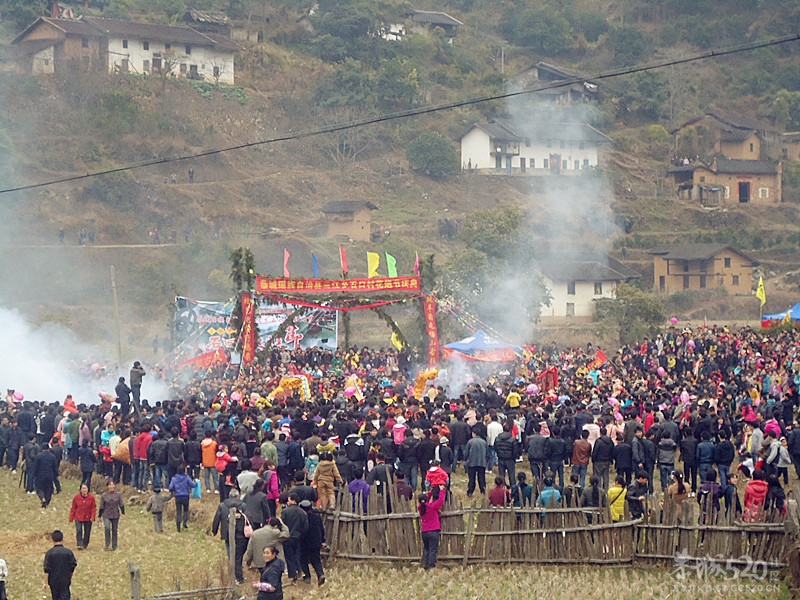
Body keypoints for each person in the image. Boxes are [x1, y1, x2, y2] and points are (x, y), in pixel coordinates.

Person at [281, 493, 308, 583]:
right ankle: (299, 570)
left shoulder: (285, 512)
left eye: (289, 500)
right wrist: (301, 535)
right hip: (298, 537)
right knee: (297, 555)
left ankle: (293, 575)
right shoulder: (303, 513)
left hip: (288, 537)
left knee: (289, 556)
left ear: (292, 500)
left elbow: (282, 525)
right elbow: (305, 527)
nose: (288, 502)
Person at [418, 485, 446, 570]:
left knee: (426, 548)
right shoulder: (432, 507)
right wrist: (441, 491)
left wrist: (430, 492)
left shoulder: (420, 508)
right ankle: (431, 566)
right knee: (433, 549)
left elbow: (425, 502)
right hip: (433, 530)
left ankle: (424, 563)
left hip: (424, 531)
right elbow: (440, 500)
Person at [299, 500, 326, 585]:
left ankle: (307, 576)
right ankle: (320, 574)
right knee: (316, 560)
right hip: (316, 542)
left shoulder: (302, 518)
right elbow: (321, 529)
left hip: (305, 542)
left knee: (303, 560)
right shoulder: (317, 516)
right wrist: (322, 540)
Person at [44, 530, 77, 600]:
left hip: (53, 581)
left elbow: (47, 569)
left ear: (52, 539)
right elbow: (72, 566)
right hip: (65, 580)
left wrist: (45, 582)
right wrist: (69, 577)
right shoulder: (68, 552)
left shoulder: (49, 553)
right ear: (62, 538)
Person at [168, 465, 198, 532]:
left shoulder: (174, 478)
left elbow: (170, 487)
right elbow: (192, 485)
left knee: (179, 511)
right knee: (186, 510)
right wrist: (196, 483)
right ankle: (185, 523)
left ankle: (178, 527)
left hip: (178, 497)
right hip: (185, 496)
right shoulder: (187, 477)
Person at [98, 480, 125, 551]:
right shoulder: (104, 495)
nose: (111, 486)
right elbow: (101, 506)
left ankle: (114, 545)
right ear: (107, 487)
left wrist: (123, 513)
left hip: (115, 514)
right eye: (110, 485)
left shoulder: (118, 495)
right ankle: (107, 544)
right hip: (106, 514)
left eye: (112, 485)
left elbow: (121, 504)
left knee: (114, 530)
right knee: (107, 528)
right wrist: (99, 516)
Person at [68, 483, 96, 550]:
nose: (84, 490)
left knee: (87, 531)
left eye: (85, 488)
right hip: (78, 516)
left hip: (88, 517)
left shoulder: (91, 498)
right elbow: (73, 508)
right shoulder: (76, 497)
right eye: (83, 488)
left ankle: (85, 544)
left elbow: (93, 508)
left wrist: (92, 517)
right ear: (80, 490)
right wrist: (71, 517)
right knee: (79, 530)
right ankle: (79, 544)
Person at [32, 442, 59, 510]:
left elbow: (36, 467)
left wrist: (34, 474)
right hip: (49, 475)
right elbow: (55, 467)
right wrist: (56, 475)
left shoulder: (38, 456)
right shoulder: (52, 456)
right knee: (49, 489)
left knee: (39, 488)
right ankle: (46, 501)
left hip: (40, 475)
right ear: (48, 448)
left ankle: (42, 498)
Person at [464, 429, 488, 498]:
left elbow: (466, 452)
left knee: (472, 479)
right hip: (482, 462)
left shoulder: (470, 442)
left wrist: (465, 460)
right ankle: (483, 491)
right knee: (481, 478)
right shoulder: (484, 442)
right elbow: (487, 453)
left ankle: (470, 492)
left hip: (471, 462)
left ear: (474, 433)